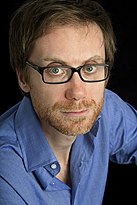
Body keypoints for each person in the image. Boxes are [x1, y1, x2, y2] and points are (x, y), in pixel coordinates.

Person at [0, 0, 137, 204]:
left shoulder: (105, 108)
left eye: (90, 68)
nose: (77, 92)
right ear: (23, 78)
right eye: (56, 70)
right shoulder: (6, 177)